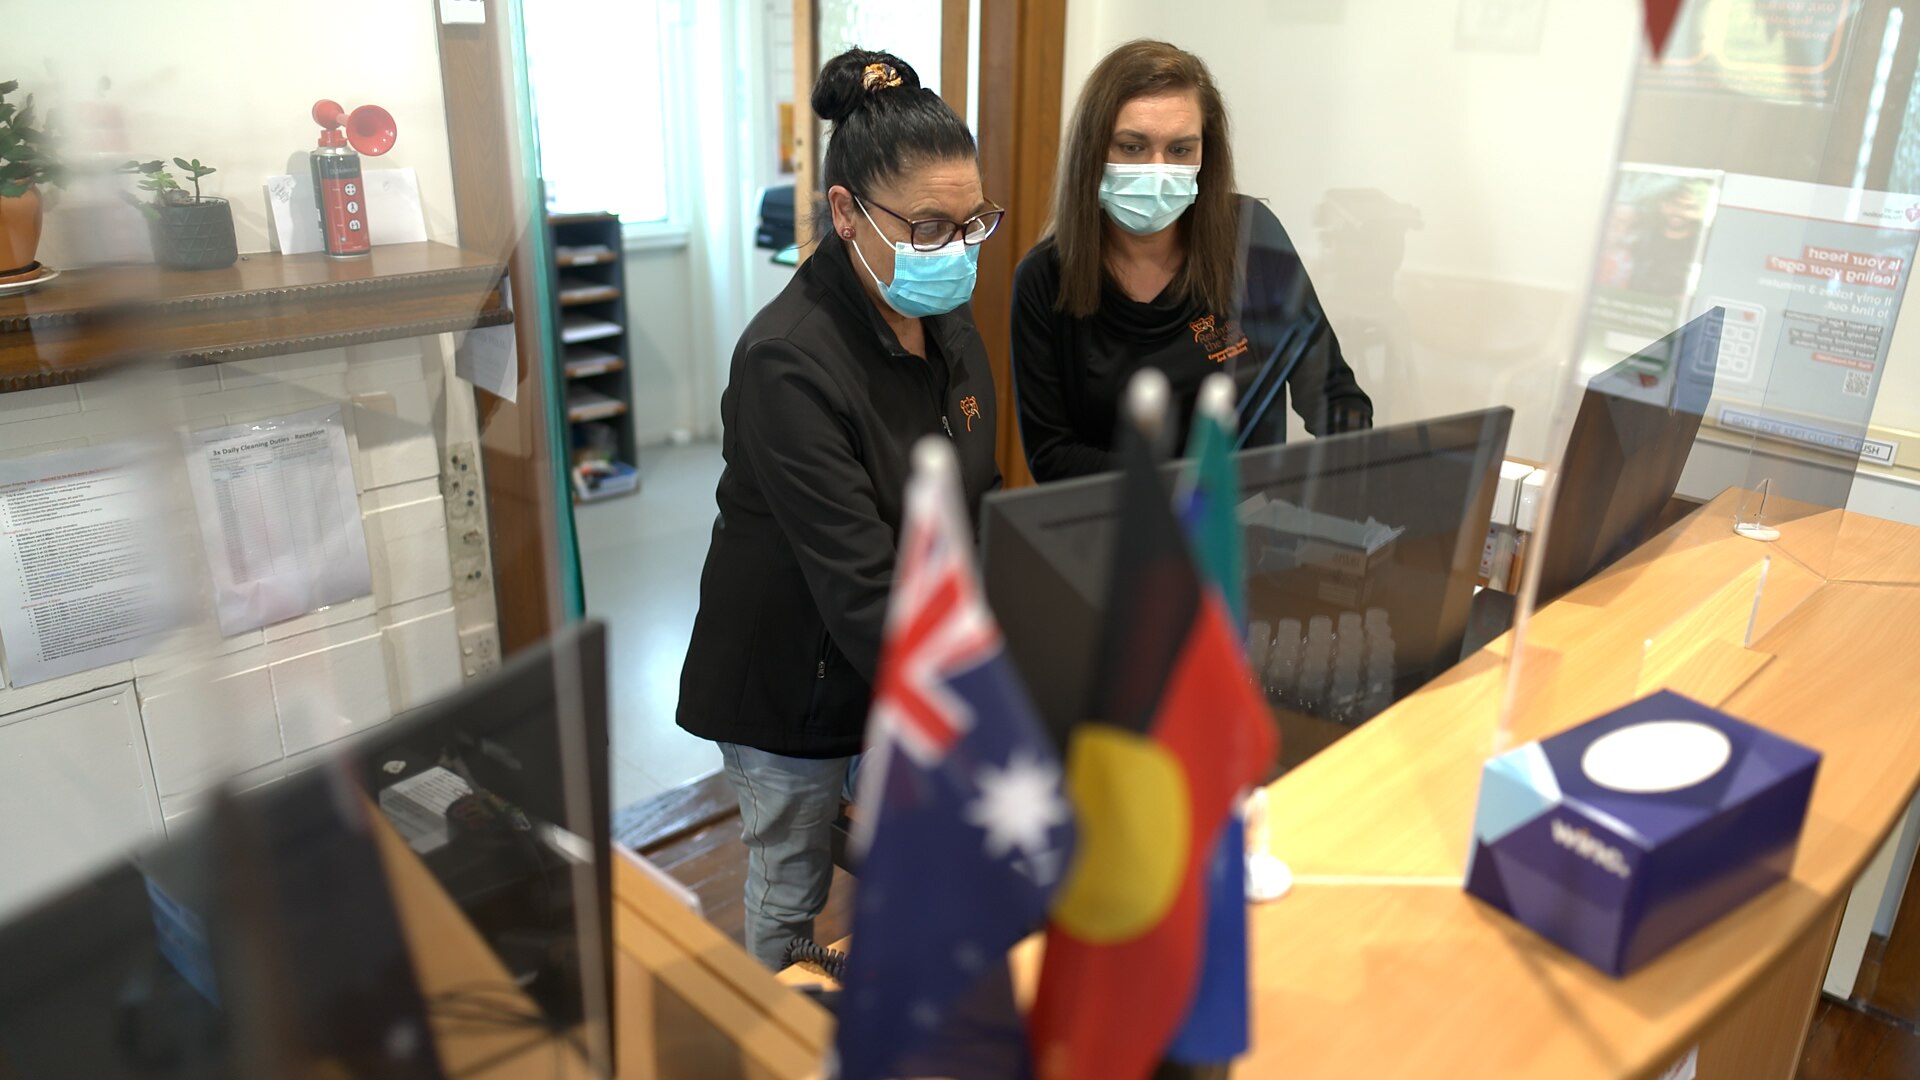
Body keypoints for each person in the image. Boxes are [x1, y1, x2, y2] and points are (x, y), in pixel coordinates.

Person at [676, 48, 1005, 970]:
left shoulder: (946, 319)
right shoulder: (786, 359)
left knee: (917, 862)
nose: (959, 247)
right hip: (794, 670)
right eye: (931, 227)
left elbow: (977, 498)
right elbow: (858, 587)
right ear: (844, 213)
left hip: (904, 657)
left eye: (973, 222)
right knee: (791, 888)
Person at [1011, 40, 1372, 481]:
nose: (1158, 168)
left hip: (1248, 530)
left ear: (1206, 152)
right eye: (1132, 147)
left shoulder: (1251, 236)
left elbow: (1332, 394)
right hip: (1117, 529)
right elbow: (1053, 456)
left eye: (1180, 150)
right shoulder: (1044, 278)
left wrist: (1350, 478)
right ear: (1093, 152)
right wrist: (1194, 490)